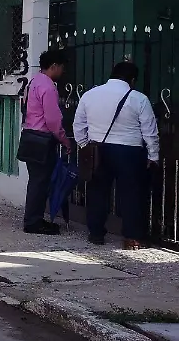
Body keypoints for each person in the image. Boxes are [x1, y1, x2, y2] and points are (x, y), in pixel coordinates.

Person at [74, 61, 160, 249]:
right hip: (130, 152)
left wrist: (85, 146)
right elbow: (150, 131)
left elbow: (78, 125)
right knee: (131, 194)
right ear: (133, 80)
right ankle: (132, 238)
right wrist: (153, 155)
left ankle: (96, 233)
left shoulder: (90, 95)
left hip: (98, 148)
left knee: (97, 192)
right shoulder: (139, 99)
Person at [18, 50, 70, 235]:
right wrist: (65, 140)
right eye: (62, 67)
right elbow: (53, 120)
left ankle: (34, 219)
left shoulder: (33, 82)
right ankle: (33, 222)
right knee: (40, 182)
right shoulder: (48, 87)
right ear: (54, 66)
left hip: (30, 135)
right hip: (42, 139)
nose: (63, 71)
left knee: (36, 181)